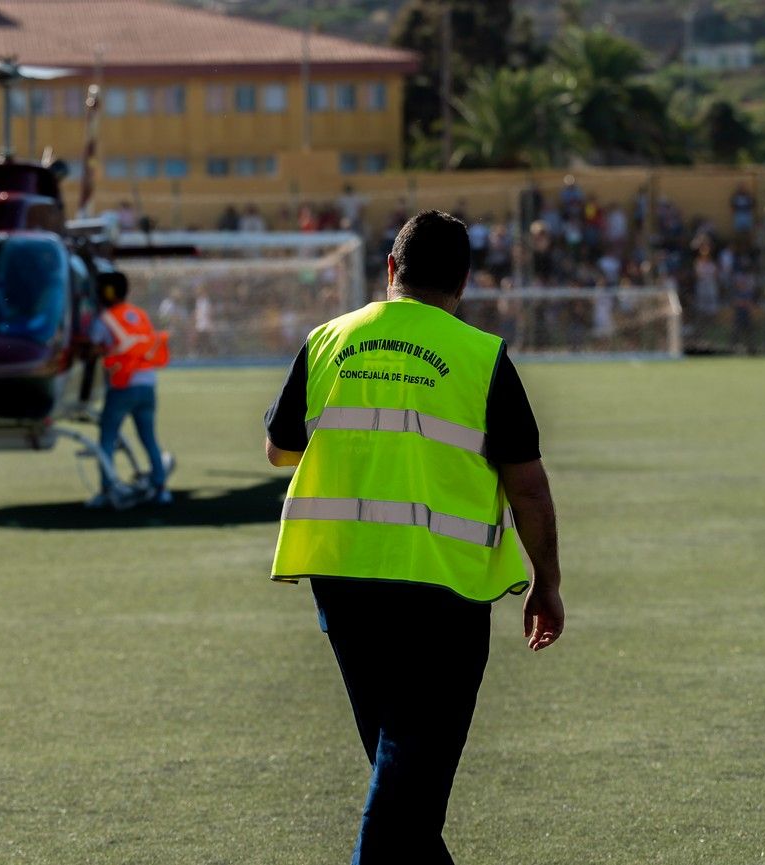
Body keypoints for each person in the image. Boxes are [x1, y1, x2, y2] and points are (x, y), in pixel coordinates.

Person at [262, 210, 564, 865]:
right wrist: (547, 581)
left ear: (390, 269)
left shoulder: (326, 340)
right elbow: (529, 485)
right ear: (464, 282)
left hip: (342, 582)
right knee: (408, 773)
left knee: (403, 773)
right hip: (443, 586)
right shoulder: (480, 355)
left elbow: (279, 448)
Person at [88, 271, 172, 507]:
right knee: (148, 438)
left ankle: (107, 488)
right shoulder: (139, 314)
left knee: (107, 436)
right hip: (148, 384)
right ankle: (161, 487)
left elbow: (95, 347)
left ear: (107, 292)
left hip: (124, 384)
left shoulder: (106, 319)